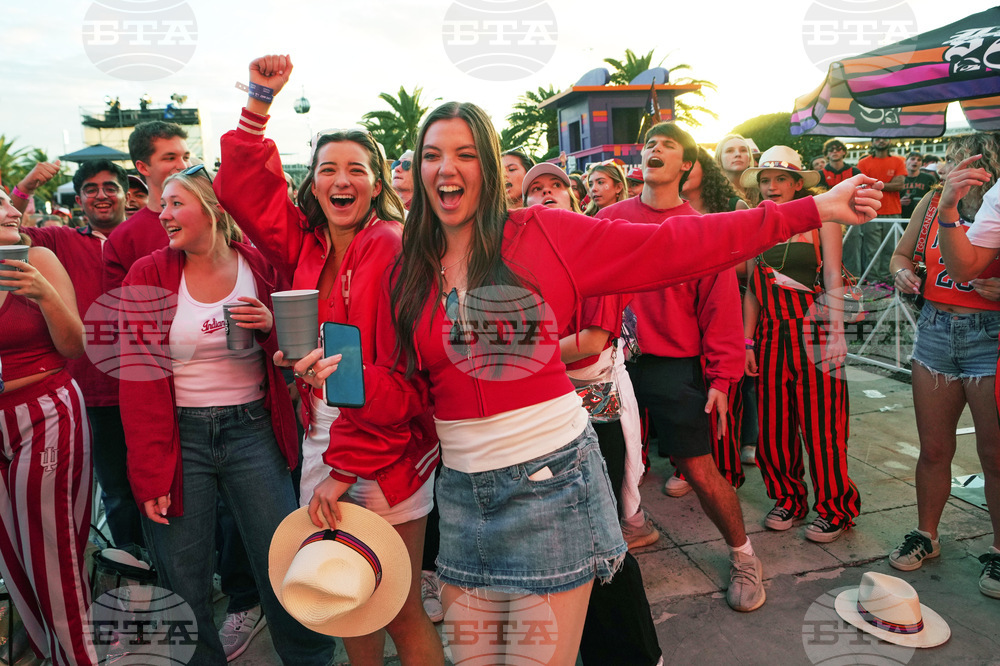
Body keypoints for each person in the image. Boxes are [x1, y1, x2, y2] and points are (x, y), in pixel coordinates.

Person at [287, 93, 882, 662]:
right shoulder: (410, 265)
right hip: (464, 495)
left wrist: (812, 209)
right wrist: (352, 392)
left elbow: (678, 246)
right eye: (435, 155)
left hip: (551, 483)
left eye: (466, 154)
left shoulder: (544, 233)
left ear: (491, 169)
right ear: (418, 172)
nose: (449, 168)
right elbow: (412, 393)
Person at [215, 54, 443, 665]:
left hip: (386, 447)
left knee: (396, 605)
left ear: (376, 182)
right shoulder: (306, 244)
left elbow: (405, 383)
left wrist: (345, 469)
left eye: (356, 170)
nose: (341, 180)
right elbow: (240, 188)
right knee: (346, 596)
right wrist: (259, 101)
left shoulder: (394, 250)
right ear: (311, 182)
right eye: (327, 169)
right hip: (322, 437)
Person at [117, 167, 338, 665]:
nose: (163, 213)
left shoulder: (257, 266)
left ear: (213, 209)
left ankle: (311, 658)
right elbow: (136, 378)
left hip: (252, 430)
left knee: (284, 559)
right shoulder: (147, 274)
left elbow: (296, 352)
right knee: (183, 574)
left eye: (176, 203)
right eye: (163, 204)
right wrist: (150, 471)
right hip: (181, 437)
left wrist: (269, 326)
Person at [606, 125, 755, 613]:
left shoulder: (701, 229)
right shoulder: (609, 218)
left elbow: (721, 308)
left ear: (687, 166)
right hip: (613, 363)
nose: (655, 150)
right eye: (649, 143)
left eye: (669, 146)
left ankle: (744, 555)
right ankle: (630, 532)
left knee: (697, 466)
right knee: (602, 464)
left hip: (675, 365)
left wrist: (722, 379)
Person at [523, 161, 662, 665]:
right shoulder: (521, 267)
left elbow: (590, 343)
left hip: (593, 419)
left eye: (555, 186)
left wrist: (516, 354)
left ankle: (635, 654)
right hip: (544, 419)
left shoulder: (593, 255)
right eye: (533, 190)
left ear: (575, 198)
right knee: (563, 543)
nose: (545, 195)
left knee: (604, 546)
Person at [22, 159, 147, 553]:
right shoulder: (59, 242)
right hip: (94, 390)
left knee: (167, 482)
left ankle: (182, 563)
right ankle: (133, 568)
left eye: (109, 187)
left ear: (126, 194)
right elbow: (8, 233)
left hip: (153, 385)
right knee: (117, 490)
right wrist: (25, 186)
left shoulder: (151, 235)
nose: (101, 195)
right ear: (78, 200)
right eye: (90, 189)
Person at [742, 146, 861, 544]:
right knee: (774, 426)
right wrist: (747, 342)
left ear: (797, 184)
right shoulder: (754, 223)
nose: (771, 186)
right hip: (771, 335)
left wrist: (839, 334)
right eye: (765, 179)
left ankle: (835, 508)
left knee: (823, 427)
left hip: (815, 332)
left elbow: (833, 278)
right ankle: (788, 498)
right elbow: (753, 293)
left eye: (780, 179)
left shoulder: (823, 219)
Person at [0, 187, 94, 664]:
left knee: (51, 548)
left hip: (44, 412)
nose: (13, 209)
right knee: (12, 552)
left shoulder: (38, 257)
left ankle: (78, 656)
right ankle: (43, 645)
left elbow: (75, 345)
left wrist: (44, 293)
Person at [920, 136, 1000, 600]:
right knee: (933, 449)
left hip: (989, 337)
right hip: (935, 332)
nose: (959, 164)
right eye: (954, 157)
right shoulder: (935, 203)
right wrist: (901, 271)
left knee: (995, 457)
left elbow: (968, 266)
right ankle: (925, 535)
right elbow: (903, 255)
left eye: (972, 155)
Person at [681, 146, 759, 468]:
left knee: (735, 379)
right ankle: (696, 456)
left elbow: (752, 263)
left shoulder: (732, 205)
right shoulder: (674, 207)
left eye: (690, 162)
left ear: (705, 169)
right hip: (687, 306)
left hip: (731, 300)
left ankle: (743, 443)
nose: (684, 169)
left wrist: (708, 265)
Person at [858, 137, 906, 279]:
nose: (881, 141)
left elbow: (900, 185)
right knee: (871, 250)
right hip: (870, 211)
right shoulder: (863, 162)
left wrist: (875, 184)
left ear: (890, 141)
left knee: (891, 249)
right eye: (877, 139)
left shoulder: (898, 161)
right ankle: (873, 281)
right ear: (872, 142)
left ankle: (888, 280)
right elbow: (862, 184)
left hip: (893, 211)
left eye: (884, 138)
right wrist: (887, 184)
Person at [715, 133, 754, 198]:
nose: (738, 154)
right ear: (719, 159)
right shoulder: (711, 192)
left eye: (743, 150)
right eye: (729, 151)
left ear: (749, 158)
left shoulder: (762, 192)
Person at [900, 151, 937, 220]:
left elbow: (936, 196)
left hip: (922, 215)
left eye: (919, 160)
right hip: (902, 215)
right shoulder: (899, 178)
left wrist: (925, 202)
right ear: (905, 162)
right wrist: (899, 202)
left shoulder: (929, 178)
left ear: (921, 163)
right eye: (912, 159)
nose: (915, 161)